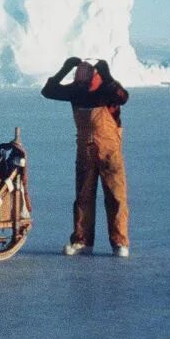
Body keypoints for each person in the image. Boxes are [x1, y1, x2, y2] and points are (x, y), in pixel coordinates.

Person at [41, 57, 130, 257]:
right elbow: (48, 91)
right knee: (83, 197)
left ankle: (119, 242)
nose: (82, 86)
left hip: (110, 153)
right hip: (85, 152)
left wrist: (107, 75)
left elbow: (123, 97)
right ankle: (82, 241)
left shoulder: (107, 90)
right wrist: (64, 68)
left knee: (116, 197)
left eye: (85, 82)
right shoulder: (76, 90)